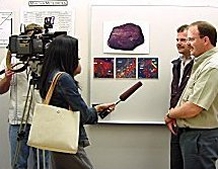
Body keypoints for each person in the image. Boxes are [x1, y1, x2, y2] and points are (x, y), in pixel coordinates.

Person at [39, 35, 116, 169]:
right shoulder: (64, 78)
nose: (77, 58)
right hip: (67, 140)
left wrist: (96, 109)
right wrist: (95, 112)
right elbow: (84, 115)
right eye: (75, 55)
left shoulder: (49, 75)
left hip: (56, 138)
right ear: (67, 55)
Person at [164, 21, 218, 169]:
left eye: (191, 39)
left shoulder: (211, 67)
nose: (187, 43)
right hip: (190, 134)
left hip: (200, 136)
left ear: (205, 40)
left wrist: (170, 114)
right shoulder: (200, 63)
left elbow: (194, 107)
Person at [0, 23, 50, 169]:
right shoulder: (13, 60)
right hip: (18, 118)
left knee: (43, 163)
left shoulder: (47, 58)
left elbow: (76, 69)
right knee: (18, 163)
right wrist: (7, 78)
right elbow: (1, 89)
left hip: (42, 119)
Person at [169, 24, 193, 169]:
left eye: (183, 40)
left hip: (193, 125)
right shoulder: (177, 64)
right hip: (176, 123)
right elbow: (176, 94)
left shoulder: (200, 65)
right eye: (177, 40)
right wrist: (172, 114)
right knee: (176, 164)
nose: (179, 43)